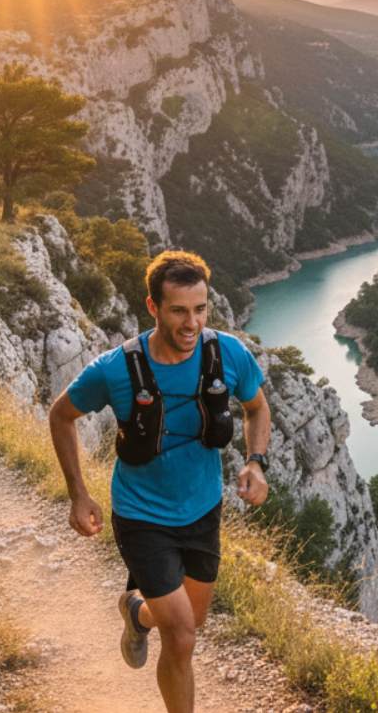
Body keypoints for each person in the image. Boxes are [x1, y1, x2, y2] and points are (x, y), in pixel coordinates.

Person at [48, 250, 270, 713]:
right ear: (153, 307)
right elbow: (61, 415)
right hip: (140, 516)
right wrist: (78, 493)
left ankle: (136, 612)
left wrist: (255, 461)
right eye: (178, 311)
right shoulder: (114, 369)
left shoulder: (227, 353)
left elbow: (257, 407)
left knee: (194, 620)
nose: (192, 323)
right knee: (183, 636)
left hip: (203, 509)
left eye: (200, 309)